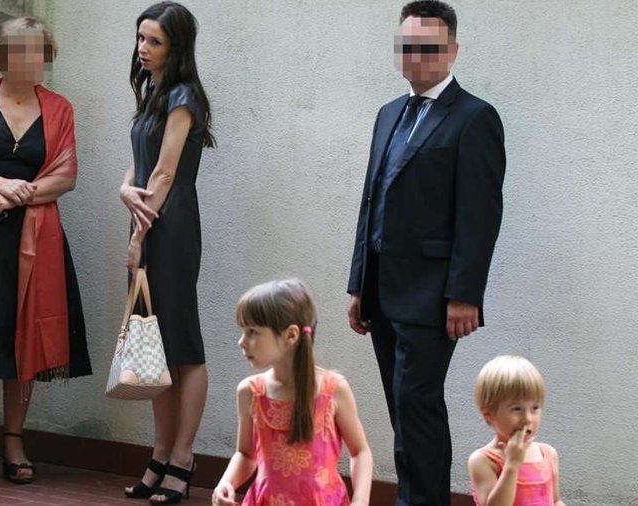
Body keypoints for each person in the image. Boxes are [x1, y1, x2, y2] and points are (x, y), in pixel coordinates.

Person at [346, 1, 506, 504]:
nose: (417, 57)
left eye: (430, 48)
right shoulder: (388, 114)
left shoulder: (475, 118)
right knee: (404, 409)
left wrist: (465, 294)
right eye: (408, 47)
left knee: (417, 406)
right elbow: (372, 200)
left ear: (453, 51)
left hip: (434, 296)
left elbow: (480, 216)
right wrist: (359, 283)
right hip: (381, 290)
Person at [0, 16, 92, 485]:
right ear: (2, 55)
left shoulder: (59, 108)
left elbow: (65, 174)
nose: (33, 59)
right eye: (22, 49)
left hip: (35, 238)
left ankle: (13, 441)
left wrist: (13, 196)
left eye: (39, 51)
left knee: (22, 335)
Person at [120, 2, 215, 504]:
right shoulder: (152, 93)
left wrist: (138, 237)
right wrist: (123, 189)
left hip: (169, 225)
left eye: (154, 41)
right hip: (147, 218)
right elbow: (140, 164)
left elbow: (165, 172)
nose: (143, 48)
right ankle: (159, 454)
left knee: (183, 344)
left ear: (175, 48)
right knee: (152, 344)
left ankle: (182, 457)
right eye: (141, 38)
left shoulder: (183, 95)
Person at [212, 279, 373, 506]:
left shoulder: (333, 389)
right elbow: (246, 454)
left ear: (291, 335)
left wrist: (360, 500)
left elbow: (360, 452)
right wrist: (226, 483)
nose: (241, 342)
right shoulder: (249, 392)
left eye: (252, 332)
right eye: (243, 331)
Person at [468, 356, 565, 506]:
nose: (527, 418)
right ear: (489, 414)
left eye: (535, 408)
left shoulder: (548, 454)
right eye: (517, 409)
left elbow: (556, 500)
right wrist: (511, 465)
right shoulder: (483, 460)